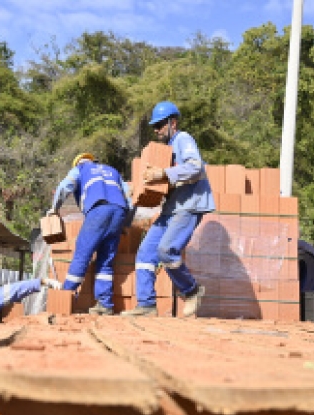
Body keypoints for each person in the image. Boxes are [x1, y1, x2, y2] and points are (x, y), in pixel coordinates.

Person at [121, 101, 216, 318]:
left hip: (189, 206)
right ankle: (146, 305)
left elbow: (195, 167)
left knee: (166, 250)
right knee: (145, 253)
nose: (156, 130)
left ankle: (192, 290)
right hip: (171, 209)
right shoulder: (164, 151)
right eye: (154, 126)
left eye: (161, 125)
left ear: (173, 122)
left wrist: (163, 174)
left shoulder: (183, 139)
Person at [47, 153, 132, 315]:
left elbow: (66, 186)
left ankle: (65, 296)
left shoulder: (81, 168)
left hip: (99, 210)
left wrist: (54, 209)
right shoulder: (113, 171)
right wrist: (126, 224)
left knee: (82, 255)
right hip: (119, 212)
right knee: (106, 260)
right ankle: (105, 304)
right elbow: (130, 197)